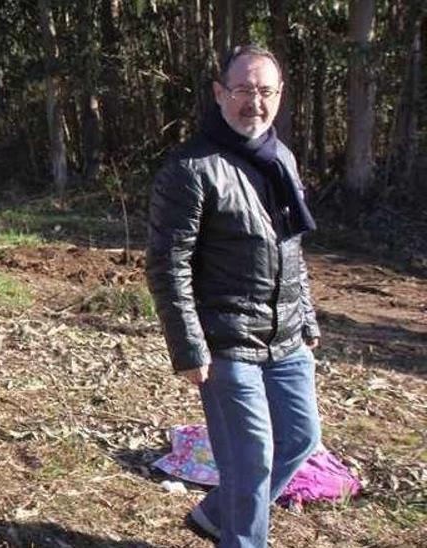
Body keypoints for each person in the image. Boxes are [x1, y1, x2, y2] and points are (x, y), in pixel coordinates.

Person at [146, 44, 322, 547]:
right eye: (243, 90)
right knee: (251, 460)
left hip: (286, 338)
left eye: (265, 91)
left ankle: (215, 515)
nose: (255, 103)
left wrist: (306, 320)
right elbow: (167, 264)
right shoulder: (189, 168)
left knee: (300, 438)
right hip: (226, 341)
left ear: (280, 96)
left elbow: (292, 250)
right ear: (220, 94)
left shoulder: (280, 158)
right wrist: (189, 347)